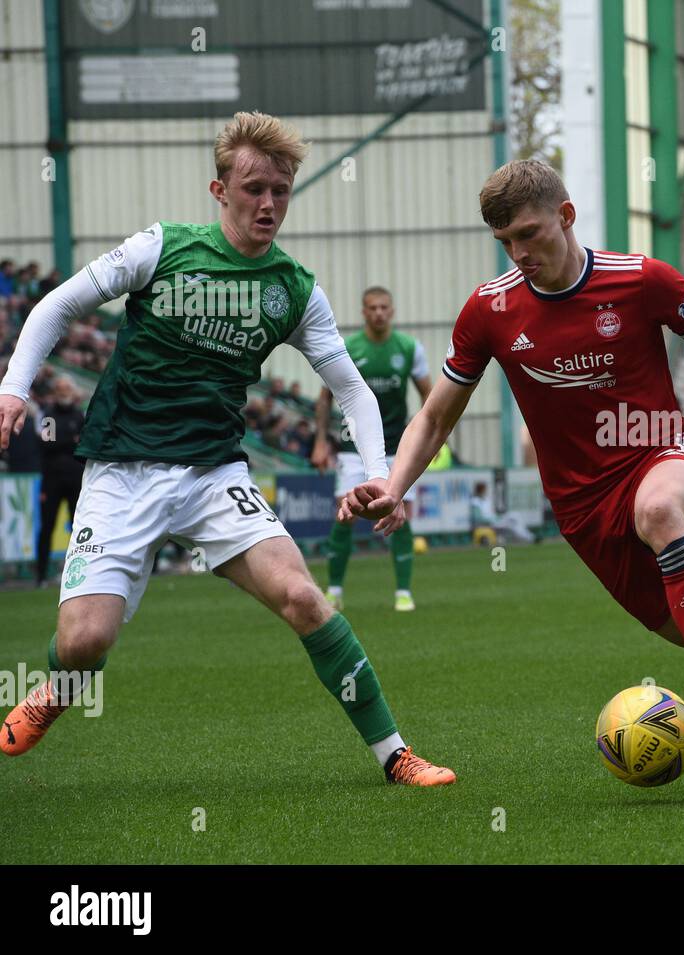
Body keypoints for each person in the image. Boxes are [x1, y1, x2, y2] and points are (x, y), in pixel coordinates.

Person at [343, 158, 684, 779]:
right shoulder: (489, 311)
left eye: (528, 233)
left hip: (661, 454)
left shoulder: (642, 280)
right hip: (584, 514)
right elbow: (435, 416)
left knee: (660, 511)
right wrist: (394, 487)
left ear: (566, 216)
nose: (518, 252)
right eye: (504, 241)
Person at [0, 111, 454, 785]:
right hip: (122, 470)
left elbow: (354, 393)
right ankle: (60, 686)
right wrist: (15, 387)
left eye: (280, 188)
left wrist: (381, 476)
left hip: (215, 474)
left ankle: (394, 754)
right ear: (220, 191)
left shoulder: (295, 290)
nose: (267, 202)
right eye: (252, 188)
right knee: (85, 642)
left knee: (304, 597)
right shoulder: (163, 248)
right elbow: (57, 305)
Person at [311, 286, 433, 613]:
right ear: (363, 312)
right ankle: (334, 591)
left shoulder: (409, 348)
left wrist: (432, 439)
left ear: (391, 311)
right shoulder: (347, 347)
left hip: (398, 446)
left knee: (399, 514)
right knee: (346, 513)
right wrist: (321, 441)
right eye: (372, 308)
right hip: (353, 446)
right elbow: (324, 399)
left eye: (383, 307)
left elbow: (429, 396)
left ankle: (404, 593)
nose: (378, 312)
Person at [35, 377, 86, 588]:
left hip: (76, 479)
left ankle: (80, 573)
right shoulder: (49, 415)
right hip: (52, 481)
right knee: (47, 527)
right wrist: (71, 440)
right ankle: (41, 577)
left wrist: (67, 442)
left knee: (80, 528)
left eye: (67, 388)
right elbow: (48, 445)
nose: (63, 392)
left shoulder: (79, 415)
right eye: (60, 388)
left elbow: (83, 444)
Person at [470, 481, 535, 543]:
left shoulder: (486, 499)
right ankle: (530, 538)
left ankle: (529, 536)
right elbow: (478, 518)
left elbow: (490, 513)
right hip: (489, 523)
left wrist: (496, 517)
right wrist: (492, 520)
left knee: (515, 515)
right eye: (485, 489)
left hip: (496, 520)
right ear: (481, 490)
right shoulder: (475, 501)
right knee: (512, 525)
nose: (486, 491)